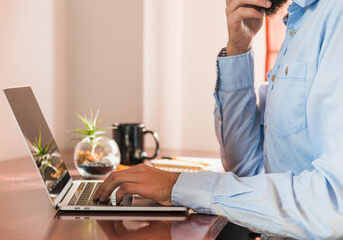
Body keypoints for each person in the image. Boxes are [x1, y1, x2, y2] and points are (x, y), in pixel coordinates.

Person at [94, 0, 343, 238]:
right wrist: (239, 48)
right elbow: (249, 172)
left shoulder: (336, 17)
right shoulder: (301, 21)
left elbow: (335, 204)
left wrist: (179, 187)